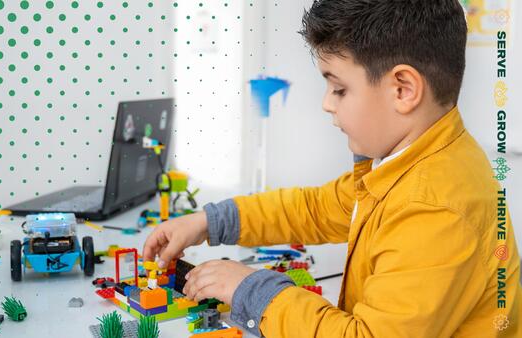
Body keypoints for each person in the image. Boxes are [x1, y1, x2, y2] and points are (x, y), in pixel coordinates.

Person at [143, 0, 521, 336]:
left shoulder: (435, 206)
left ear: (403, 90)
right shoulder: (406, 164)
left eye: (339, 89)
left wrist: (251, 291)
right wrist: (211, 222)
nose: (327, 103)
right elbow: (317, 207)